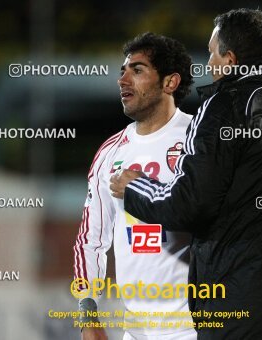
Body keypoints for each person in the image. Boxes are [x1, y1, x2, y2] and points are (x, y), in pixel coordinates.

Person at [110, 8, 262, 340]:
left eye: (212, 54)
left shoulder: (228, 103)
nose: (209, 65)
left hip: (253, 303)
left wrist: (136, 188)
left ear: (231, 59)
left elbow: (189, 204)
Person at [73, 32, 197, 340]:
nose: (123, 79)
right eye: (122, 71)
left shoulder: (200, 140)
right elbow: (91, 240)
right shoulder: (110, 152)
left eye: (137, 70)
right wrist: (88, 315)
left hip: (196, 329)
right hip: (136, 333)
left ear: (170, 82)